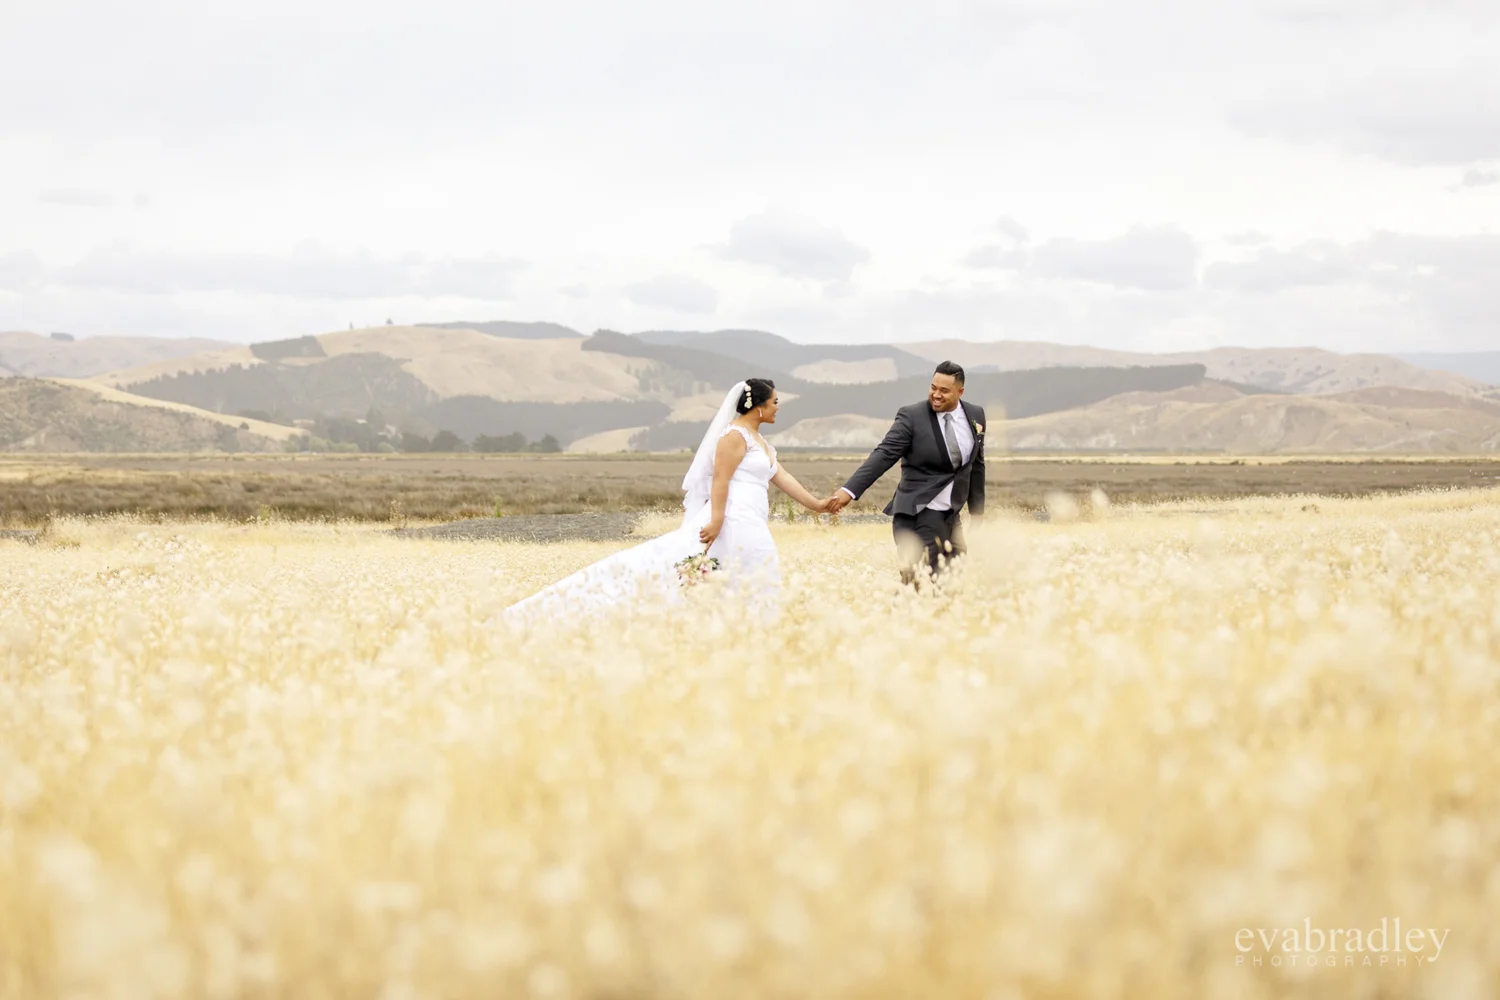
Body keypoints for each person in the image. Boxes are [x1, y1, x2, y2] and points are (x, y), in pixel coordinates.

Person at [503, 378, 831, 623]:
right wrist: (716, 519)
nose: (777, 407)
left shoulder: (760, 441)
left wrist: (817, 505)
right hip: (733, 517)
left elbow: (781, 476)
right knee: (735, 567)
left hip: (752, 517)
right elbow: (720, 479)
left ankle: (747, 626)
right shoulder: (735, 436)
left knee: (752, 568)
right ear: (758, 406)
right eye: (775, 402)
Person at [826, 361, 986, 587]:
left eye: (944, 390)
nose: (936, 395)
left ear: (960, 392)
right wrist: (848, 491)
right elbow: (884, 455)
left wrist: (977, 511)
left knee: (952, 582)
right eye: (933, 387)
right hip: (917, 514)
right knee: (919, 584)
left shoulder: (975, 415)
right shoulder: (912, 416)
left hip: (951, 516)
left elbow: (976, 465)